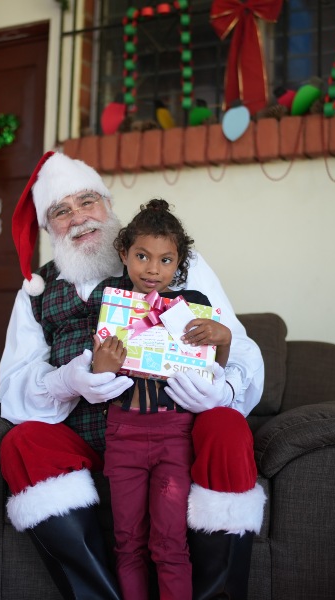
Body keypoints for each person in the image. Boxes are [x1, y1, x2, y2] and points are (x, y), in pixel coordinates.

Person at [0, 150, 265, 600]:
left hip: (174, 433)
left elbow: (241, 347)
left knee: (227, 426)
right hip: (91, 443)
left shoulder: (174, 263)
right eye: (61, 211)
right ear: (49, 228)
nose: (79, 218)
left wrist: (218, 387)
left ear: (108, 205)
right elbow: (12, 388)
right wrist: (66, 381)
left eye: (87, 201)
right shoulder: (35, 293)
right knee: (21, 444)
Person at [92, 198, 232, 600]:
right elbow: (100, 378)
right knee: (128, 541)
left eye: (166, 260)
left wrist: (225, 339)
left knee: (170, 542)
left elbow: (211, 371)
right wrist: (102, 366)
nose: (153, 269)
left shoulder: (192, 307)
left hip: (174, 433)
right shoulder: (112, 304)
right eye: (142, 256)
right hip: (123, 433)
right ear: (124, 254)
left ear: (179, 262)